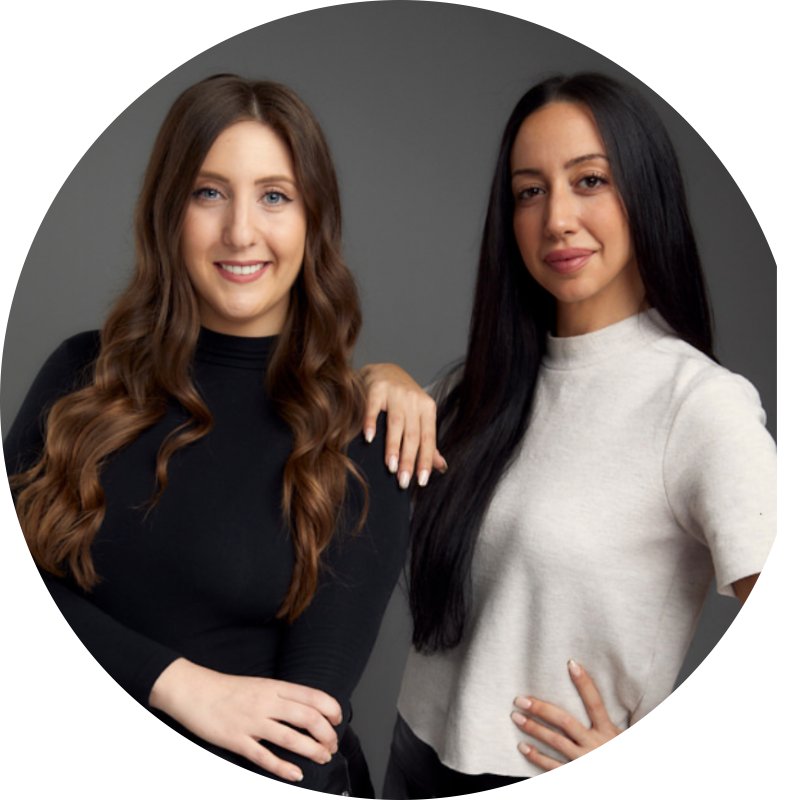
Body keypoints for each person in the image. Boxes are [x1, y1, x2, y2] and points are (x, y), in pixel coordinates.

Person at [365, 73, 777, 799]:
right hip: (412, 763)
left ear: (645, 191)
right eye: (530, 191)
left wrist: (652, 793)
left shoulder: (700, 408)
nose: (557, 218)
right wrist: (376, 377)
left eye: (590, 180)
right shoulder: (473, 391)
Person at [0, 74, 409, 799]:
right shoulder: (82, 376)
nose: (241, 232)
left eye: (275, 196)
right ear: (169, 211)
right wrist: (181, 686)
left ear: (313, 218)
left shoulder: (361, 430)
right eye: (209, 192)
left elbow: (306, 734)